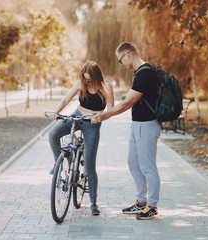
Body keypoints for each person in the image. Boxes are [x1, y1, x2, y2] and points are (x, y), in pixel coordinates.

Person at [92, 42, 161, 220]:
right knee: (133, 163)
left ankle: (152, 206)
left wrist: (106, 115)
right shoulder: (140, 73)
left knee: (147, 167)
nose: (121, 64)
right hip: (137, 124)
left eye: (120, 59)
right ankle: (141, 203)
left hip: (146, 125)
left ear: (128, 54)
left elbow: (127, 103)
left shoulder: (145, 73)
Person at [48, 61, 114, 216]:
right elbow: (65, 99)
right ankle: (60, 165)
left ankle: (93, 202)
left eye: (90, 79)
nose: (87, 82)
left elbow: (111, 110)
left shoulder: (107, 86)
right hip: (77, 116)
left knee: (90, 164)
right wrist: (55, 112)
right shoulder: (81, 83)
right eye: (85, 79)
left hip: (93, 123)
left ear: (97, 76)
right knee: (53, 134)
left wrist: (101, 116)